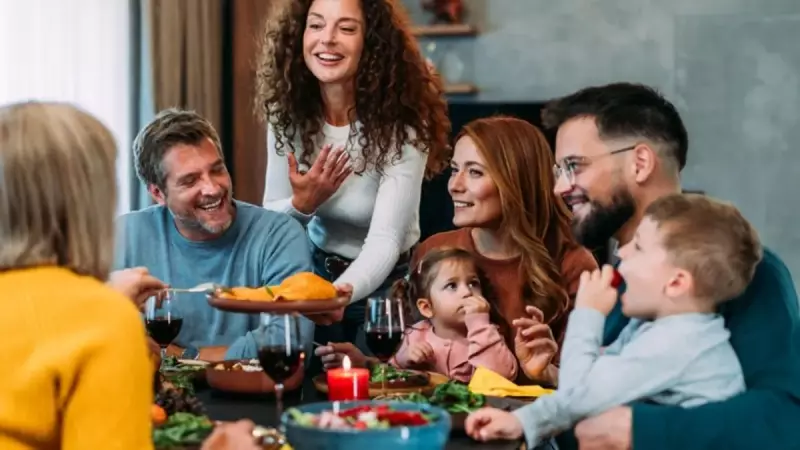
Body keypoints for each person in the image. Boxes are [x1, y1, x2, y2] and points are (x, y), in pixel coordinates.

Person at [542, 82, 799, 450]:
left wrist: (640, 430)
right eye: (558, 171)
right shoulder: (617, 282)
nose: (559, 188)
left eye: (573, 166)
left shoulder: (747, 272)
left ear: (640, 162)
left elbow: (787, 418)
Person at [466, 193, 762, 448]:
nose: (621, 251)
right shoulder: (665, 330)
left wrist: (587, 313)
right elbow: (598, 379)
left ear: (676, 283)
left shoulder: (677, 343)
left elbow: (577, 395)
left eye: (639, 247)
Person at [255, 0, 451, 356]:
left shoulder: (403, 124)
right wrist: (302, 205)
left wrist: (339, 292)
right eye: (316, 26)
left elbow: (386, 239)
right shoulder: (287, 114)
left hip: (385, 285)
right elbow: (270, 222)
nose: (327, 39)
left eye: (346, 29)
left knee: (372, 400)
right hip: (312, 272)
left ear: (371, 43)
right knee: (309, 398)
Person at [114, 108, 332, 362]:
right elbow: (102, 337)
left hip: (256, 399)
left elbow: (287, 345)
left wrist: (183, 356)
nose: (212, 188)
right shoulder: (123, 235)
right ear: (158, 193)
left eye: (217, 170)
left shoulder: (279, 234)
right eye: (190, 180)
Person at [345, 247, 518, 382]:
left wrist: (479, 324)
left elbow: (502, 377)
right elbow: (392, 375)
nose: (467, 292)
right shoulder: (415, 334)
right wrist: (403, 359)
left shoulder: (488, 332)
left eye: (473, 283)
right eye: (452, 286)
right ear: (427, 307)